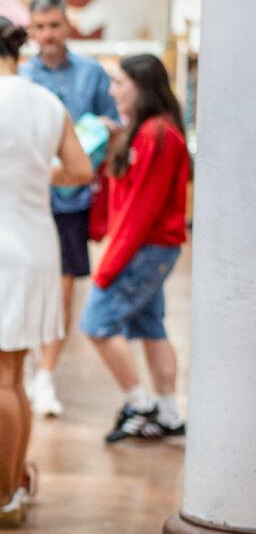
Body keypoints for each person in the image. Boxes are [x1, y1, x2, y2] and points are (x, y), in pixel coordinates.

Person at [0, 17, 93, 528]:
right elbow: (79, 171)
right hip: (37, 244)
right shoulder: (48, 101)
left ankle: (0, 497)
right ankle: (8, 487)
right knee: (14, 377)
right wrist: (31, 171)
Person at [21, 0, 120, 417]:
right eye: (39, 27)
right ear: (30, 31)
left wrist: (103, 134)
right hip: (26, 198)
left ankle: (45, 373)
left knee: (62, 287)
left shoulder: (93, 75)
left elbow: (115, 132)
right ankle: (25, 364)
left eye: (54, 26)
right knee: (27, 284)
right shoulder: (23, 76)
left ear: (67, 26)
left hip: (72, 202)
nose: (48, 35)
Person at [82, 54, 190, 443]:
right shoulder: (149, 131)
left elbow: (140, 208)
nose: (112, 91)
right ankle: (167, 411)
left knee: (96, 323)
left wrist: (109, 264)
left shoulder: (156, 135)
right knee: (150, 326)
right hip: (151, 245)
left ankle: (139, 403)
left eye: (119, 83)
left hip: (146, 246)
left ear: (141, 87)